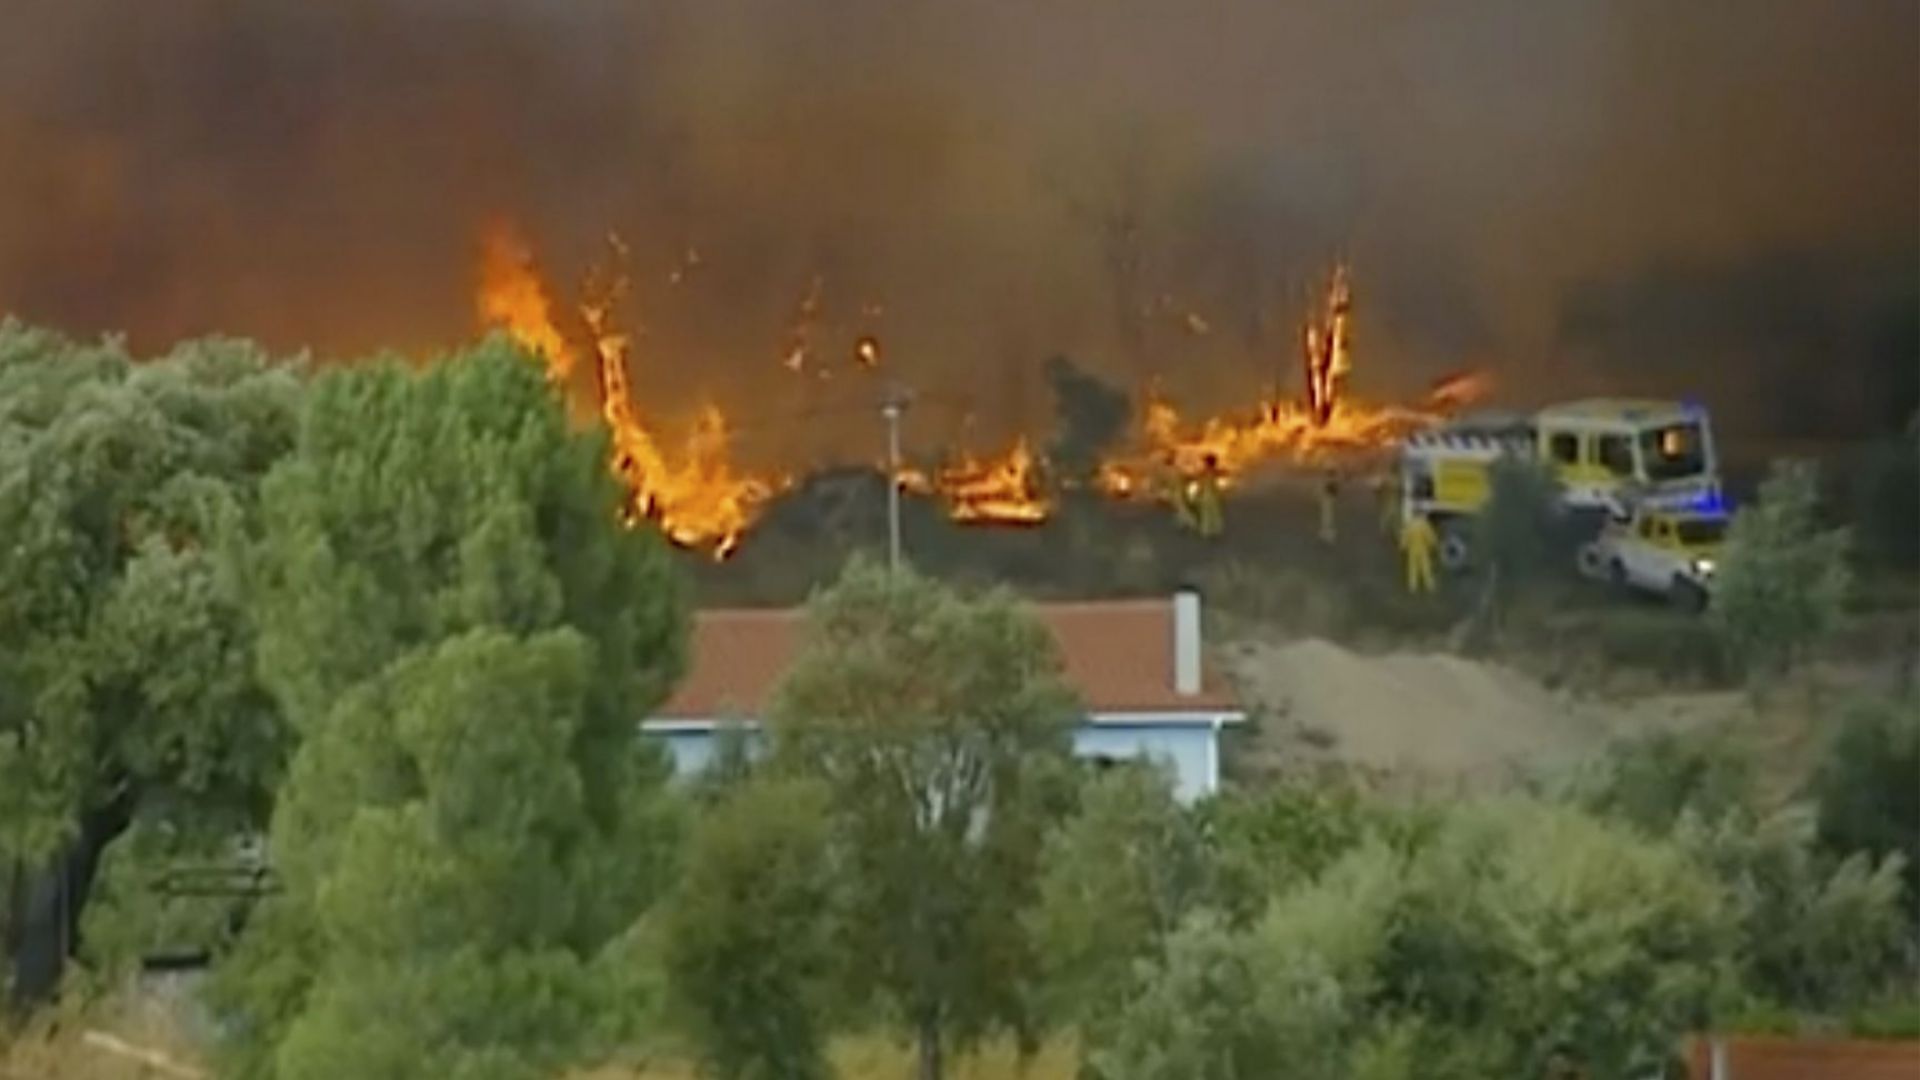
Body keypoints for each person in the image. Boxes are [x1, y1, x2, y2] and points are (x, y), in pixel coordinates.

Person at [1400, 510, 1438, 594]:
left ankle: (1412, 586)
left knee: (1412, 567)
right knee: (1426, 567)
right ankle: (1429, 584)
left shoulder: (1409, 525)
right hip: (1423, 549)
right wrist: (1433, 545)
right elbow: (1430, 536)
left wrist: (1403, 547)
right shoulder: (1424, 525)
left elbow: (1405, 537)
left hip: (1412, 549)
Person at [1317, 468, 1340, 545]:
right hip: (1329, 498)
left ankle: (1326, 532)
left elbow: (1324, 490)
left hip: (1327, 498)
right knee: (1328, 516)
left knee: (1326, 516)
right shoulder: (1333, 481)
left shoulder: (1328, 481)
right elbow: (1335, 491)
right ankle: (1326, 532)